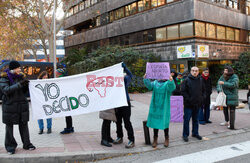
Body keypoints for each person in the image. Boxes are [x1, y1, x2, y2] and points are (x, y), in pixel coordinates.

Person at [0, 60, 36, 155]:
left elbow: (25, 93)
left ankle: (27, 144)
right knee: (9, 128)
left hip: (22, 105)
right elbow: (6, 90)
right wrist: (20, 84)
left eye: (20, 68)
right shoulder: (4, 78)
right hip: (9, 107)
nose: (20, 69)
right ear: (13, 69)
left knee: (24, 125)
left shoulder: (21, 77)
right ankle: (10, 147)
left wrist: (26, 86)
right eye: (18, 68)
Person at [143, 74, 175, 148]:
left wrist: (171, 80)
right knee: (155, 122)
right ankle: (155, 138)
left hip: (164, 106)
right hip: (155, 106)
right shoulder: (155, 83)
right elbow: (149, 86)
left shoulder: (167, 83)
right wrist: (145, 78)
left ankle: (166, 138)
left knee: (165, 122)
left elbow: (172, 88)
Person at [113, 63, 135, 148]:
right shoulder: (113, 81)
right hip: (117, 104)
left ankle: (131, 140)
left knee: (127, 122)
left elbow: (130, 75)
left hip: (125, 103)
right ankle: (119, 137)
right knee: (118, 122)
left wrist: (125, 68)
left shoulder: (124, 79)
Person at [181, 66, 205, 142]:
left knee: (196, 120)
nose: (195, 72)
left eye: (196, 71)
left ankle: (195, 133)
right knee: (186, 120)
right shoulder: (186, 80)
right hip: (189, 105)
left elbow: (204, 91)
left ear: (198, 72)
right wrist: (189, 99)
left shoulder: (201, 80)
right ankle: (185, 135)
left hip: (197, 104)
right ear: (191, 71)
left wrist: (202, 98)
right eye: (193, 70)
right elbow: (183, 91)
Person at [56, 68, 75, 134]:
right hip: (67, 98)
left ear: (59, 73)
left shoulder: (61, 79)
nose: (55, 74)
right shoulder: (65, 79)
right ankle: (70, 127)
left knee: (67, 114)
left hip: (65, 99)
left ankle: (68, 128)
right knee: (68, 114)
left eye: (56, 73)